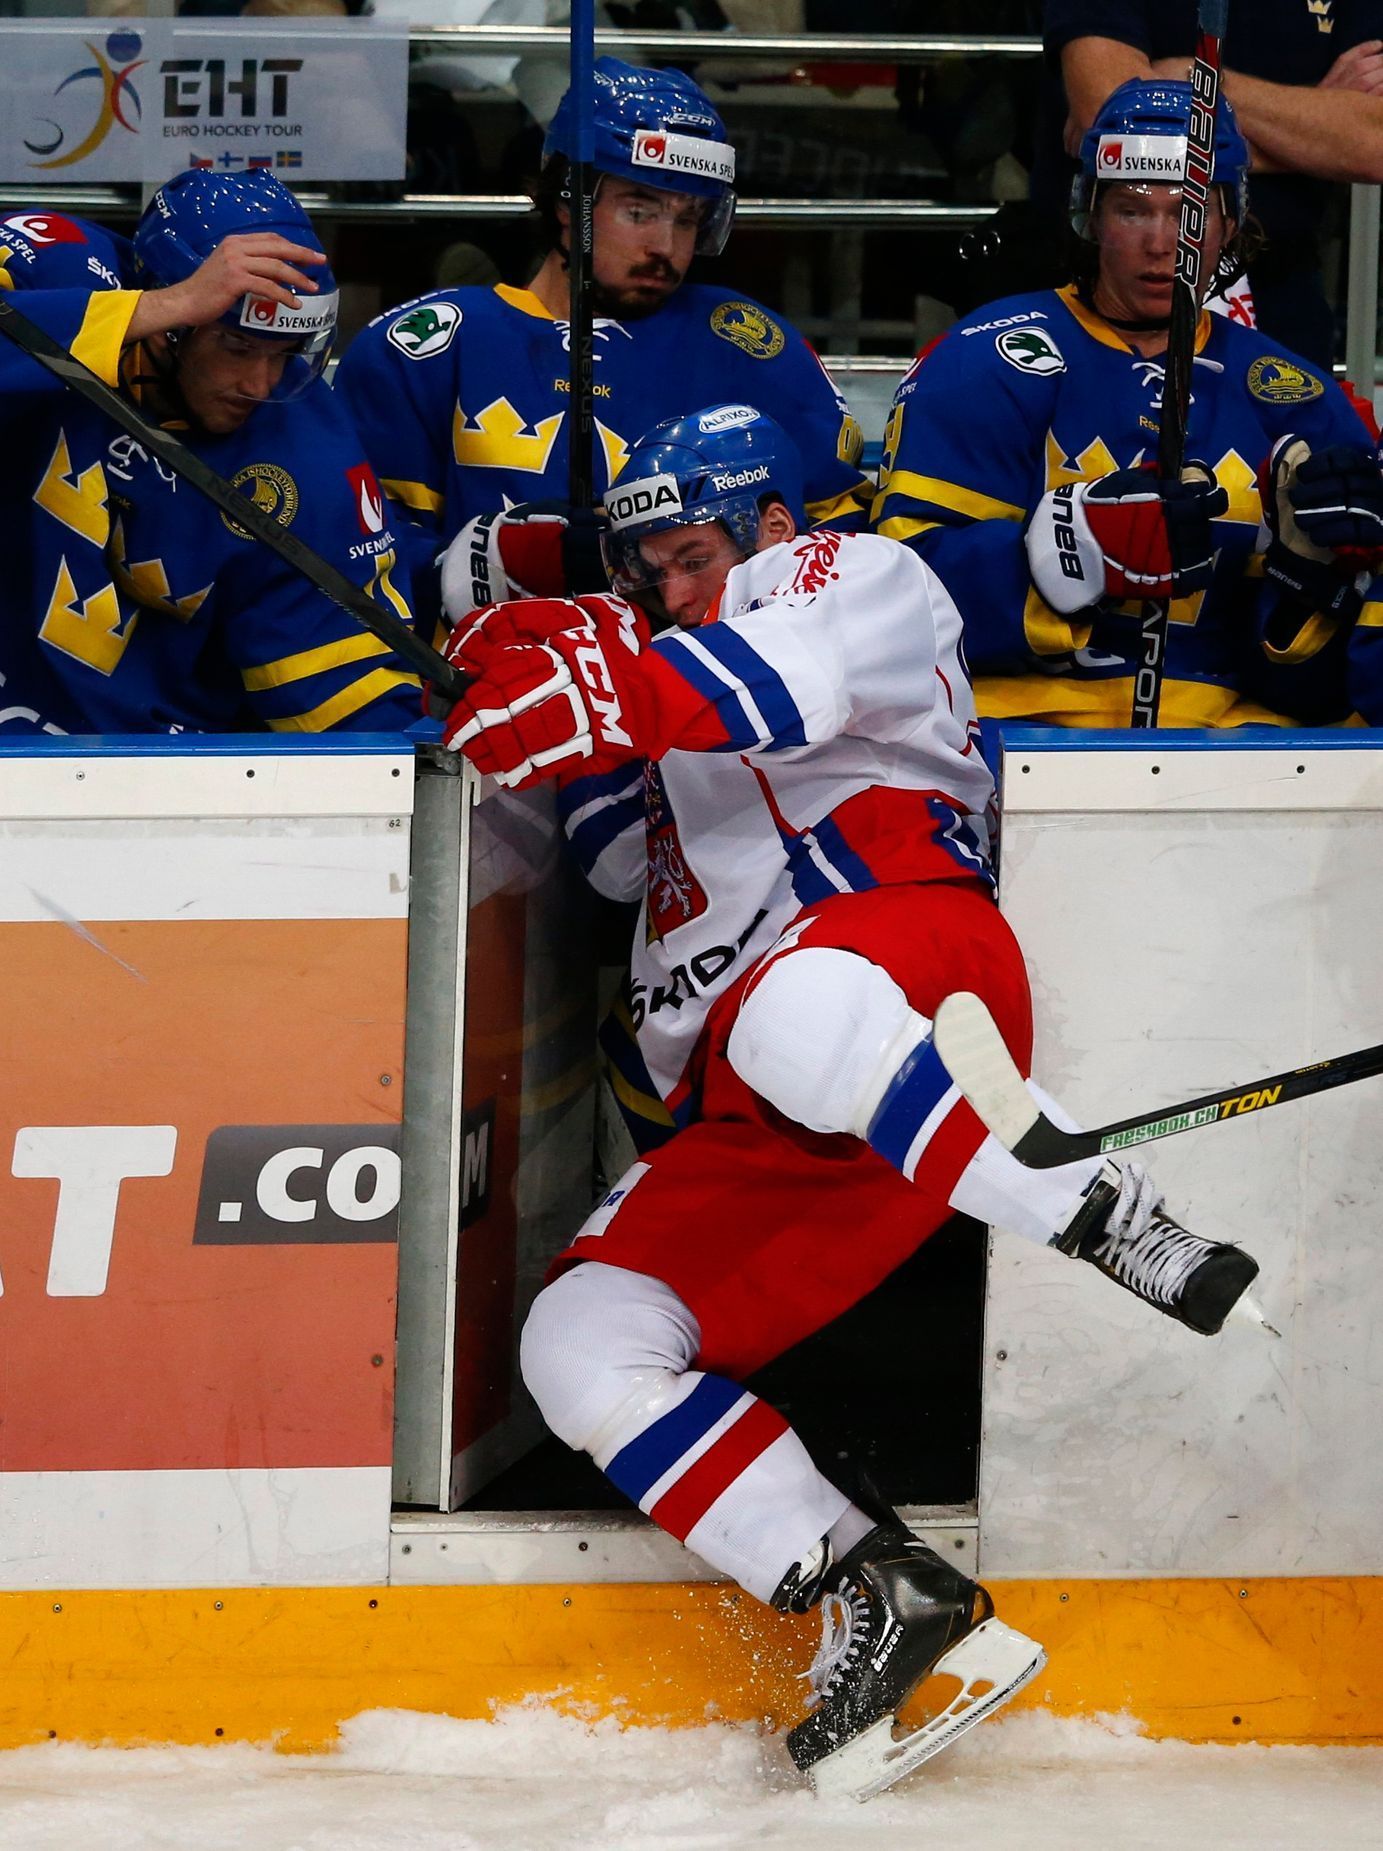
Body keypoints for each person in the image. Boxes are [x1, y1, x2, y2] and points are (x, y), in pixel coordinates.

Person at [428, 403, 1261, 1798]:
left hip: (908, 962)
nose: (671, 592)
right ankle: (878, 1593)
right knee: (581, 1336)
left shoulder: (847, 575)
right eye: (647, 575)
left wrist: (615, 684)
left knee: (789, 1009)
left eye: (690, 557)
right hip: (777, 1108)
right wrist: (530, 695)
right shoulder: (675, 674)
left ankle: (1098, 1207)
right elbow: (632, 861)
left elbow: (772, 687)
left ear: (766, 526)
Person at [871, 80, 1383, 730]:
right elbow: (889, 596)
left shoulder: (1293, 395)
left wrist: (1308, 583)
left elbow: (1326, 691)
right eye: (1132, 209)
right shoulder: (984, 358)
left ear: (1230, 224)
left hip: (1245, 755)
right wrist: (1056, 552)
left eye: (1189, 212)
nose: (1160, 240)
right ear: (1088, 213)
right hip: (1018, 735)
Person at [333, 57, 874, 623]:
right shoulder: (424, 351)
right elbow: (357, 552)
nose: (667, 246)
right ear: (568, 202)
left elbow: (843, 532)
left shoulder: (745, 344)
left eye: (688, 219)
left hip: (705, 677)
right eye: (639, 210)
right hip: (493, 678)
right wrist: (466, 571)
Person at [0, 176, 423, 735]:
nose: (260, 383)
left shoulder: (305, 451)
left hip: (139, 767)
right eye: (237, 346)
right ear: (172, 329)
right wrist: (169, 305)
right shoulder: (52, 257)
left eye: (284, 353)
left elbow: (344, 695)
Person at [1035, 0, 1383, 366]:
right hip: (1109, 291)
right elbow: (1109, 114)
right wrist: (1316, 127)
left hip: (1282, 297)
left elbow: (1371, 144)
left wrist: (1189, 75)